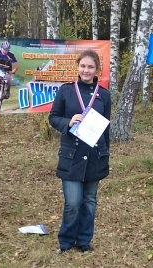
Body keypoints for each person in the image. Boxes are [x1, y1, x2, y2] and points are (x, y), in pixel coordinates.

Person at [48, 49, 111, 253]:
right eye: (83, 66)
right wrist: (68, 122)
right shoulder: (66, 91)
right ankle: (66, 242)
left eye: (90, 67)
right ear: (78, 67)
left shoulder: (104, 95)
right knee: (73, 202)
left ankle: (84, 241)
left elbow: (106, 128)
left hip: (95, 155)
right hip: (71, 155)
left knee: (90, 202)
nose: (86, 70)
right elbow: (53, 117)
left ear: (97, 70)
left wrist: (106, 153)